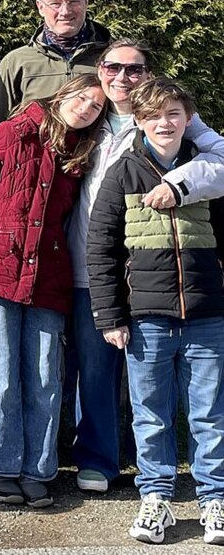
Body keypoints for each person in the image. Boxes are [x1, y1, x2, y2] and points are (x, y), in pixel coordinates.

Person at [0, 39, 224, 494]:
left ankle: (155, 468)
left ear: (149, 74)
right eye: (113, 67)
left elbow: (221, 160)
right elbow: (24, 152)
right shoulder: (88, 122)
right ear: (99, 69)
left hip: (156, 270)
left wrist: (179, 181)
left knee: (150, 373)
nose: (122, 78)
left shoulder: (169, 118)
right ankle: (98, 458)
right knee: (93, 367)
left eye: (134, 69)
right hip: (91, 264)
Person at [0, 74, 107, 508]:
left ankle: (38, 468)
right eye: (81, 98)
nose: (85, 109)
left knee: (44, 376)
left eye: (96, 107)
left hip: (49, 277)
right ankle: (0, 466)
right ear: (64, 94)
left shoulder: (81, 152)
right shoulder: (14, 131)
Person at [87, 78, 224, 545]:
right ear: (139, 123)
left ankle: (215, 500)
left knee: (209, 414)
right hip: (145, 319)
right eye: (152, 117)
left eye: (173, 115)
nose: (164, 124)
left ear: (189, 119)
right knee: (151, 415)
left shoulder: (208, 170)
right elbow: (101, 249)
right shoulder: (122, 172)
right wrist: (109, 317)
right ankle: (157, 498)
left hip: (208, 316)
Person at [0, 0, 110, 131]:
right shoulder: (16, 63)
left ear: (86, 2)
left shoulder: (113, 59)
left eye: (74, 1)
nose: (65, 11)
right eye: (55, 4)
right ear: (40, 7)